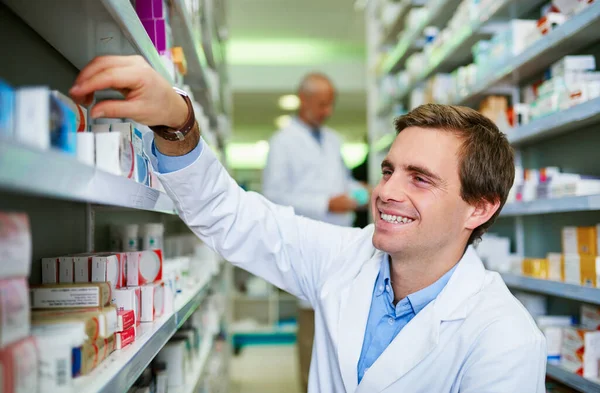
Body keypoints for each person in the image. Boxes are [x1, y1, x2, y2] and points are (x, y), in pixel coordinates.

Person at [70, 55, 546, 393]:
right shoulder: (343, 258)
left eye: (420, 179)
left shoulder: (505, 338)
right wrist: (177, 122)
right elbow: (229, 214)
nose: (385, 192)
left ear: (479, 208)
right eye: (388, 170)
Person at [262, 73, 368, 391]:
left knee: (343, 324)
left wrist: (363, 192)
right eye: (322, 104)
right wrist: (325, 203)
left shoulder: (333, 139)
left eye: (331, 104)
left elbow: (342, 181)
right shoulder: (282, 143)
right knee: (313, 327)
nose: (328, 111)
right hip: (309, 243)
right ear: (303, 99)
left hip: (343, 241)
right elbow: (273, 197)